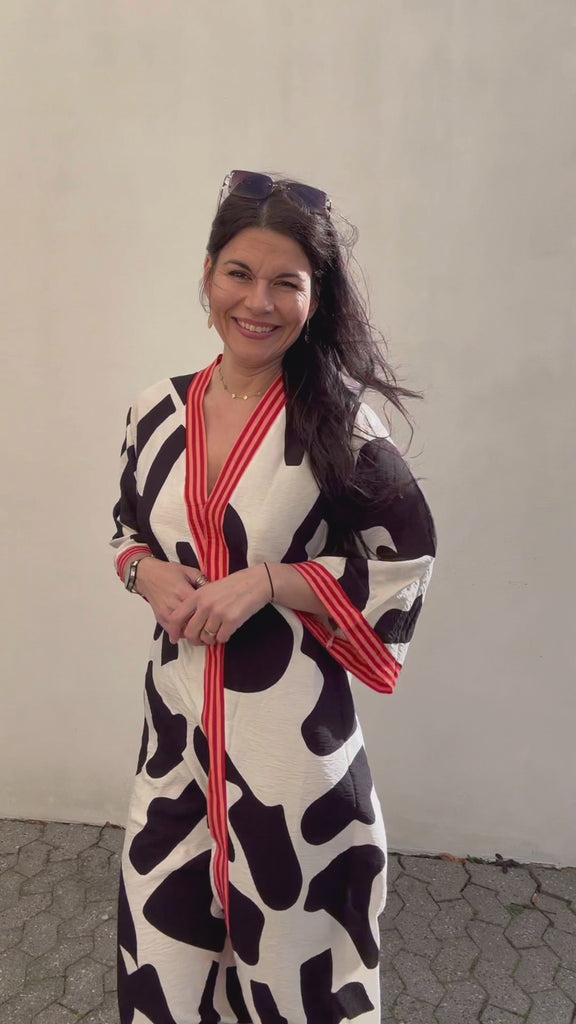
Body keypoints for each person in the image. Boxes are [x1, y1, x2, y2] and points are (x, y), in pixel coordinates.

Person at [111, 170, 436, 1024]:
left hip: (294, 770)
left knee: (301, 991)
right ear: (208, 274)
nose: (257, 302)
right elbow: (125, 530)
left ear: (314, 297)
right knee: (166, 971)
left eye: (285, 282)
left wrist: (272, 581)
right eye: (239, 273)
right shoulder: (154, 413)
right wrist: (143, 571)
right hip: (174, 750)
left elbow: (405, 560)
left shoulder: (340, 426)